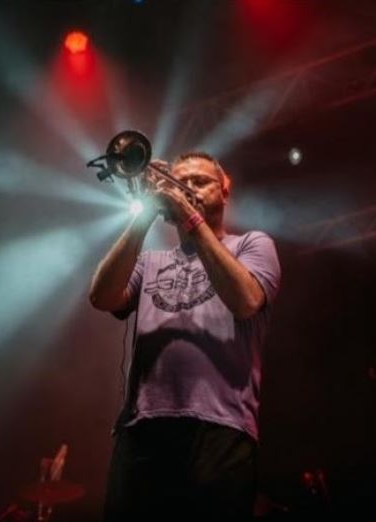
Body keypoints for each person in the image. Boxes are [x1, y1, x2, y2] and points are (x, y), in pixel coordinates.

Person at [89, 152, 281, 521]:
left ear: (224, 191)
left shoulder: (252, 245)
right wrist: (144, 214)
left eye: (200, 181)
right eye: (180, 181)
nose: (187, 188)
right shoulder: (150, 261)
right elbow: (102, 297)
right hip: (143, 430)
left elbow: (246, 301)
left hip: (220, 429)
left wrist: (191, 218)